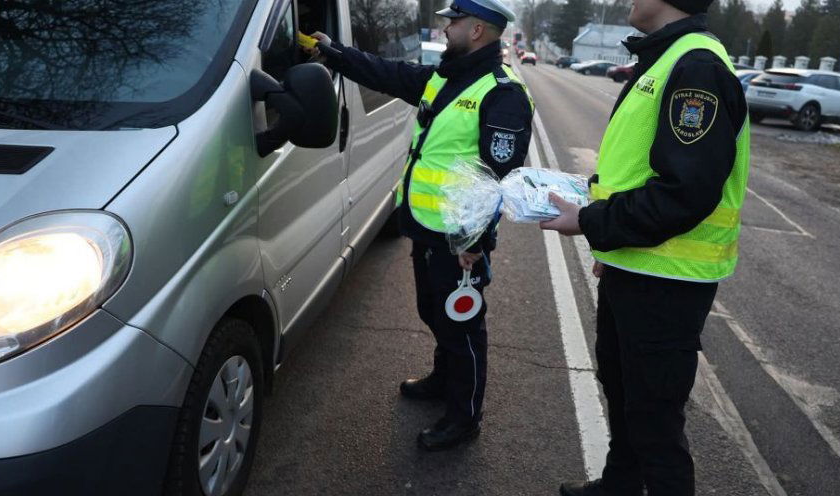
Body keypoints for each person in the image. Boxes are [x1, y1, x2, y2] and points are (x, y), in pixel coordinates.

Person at [303, 0, 534, 451]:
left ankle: (464, 417)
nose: (444, 28)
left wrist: (474, 241)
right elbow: (389, 74)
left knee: (461, 326)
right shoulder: (447, 76)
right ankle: (443, 379)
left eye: (454, 22)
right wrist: (336, 54)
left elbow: (497, 175)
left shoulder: (501, 92)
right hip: (428, 226)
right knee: (433, 311)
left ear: (479, 31)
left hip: (459, 238)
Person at [539, 0, 749, 493]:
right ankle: (619, 485)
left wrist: (591, 221)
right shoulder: (666, 57)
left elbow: (685, 192)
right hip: (635, 264)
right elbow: (636, 173)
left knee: (656, 426)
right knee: (623, 392)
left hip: (667, 283)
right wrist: (606, 237)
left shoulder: (695, 67)